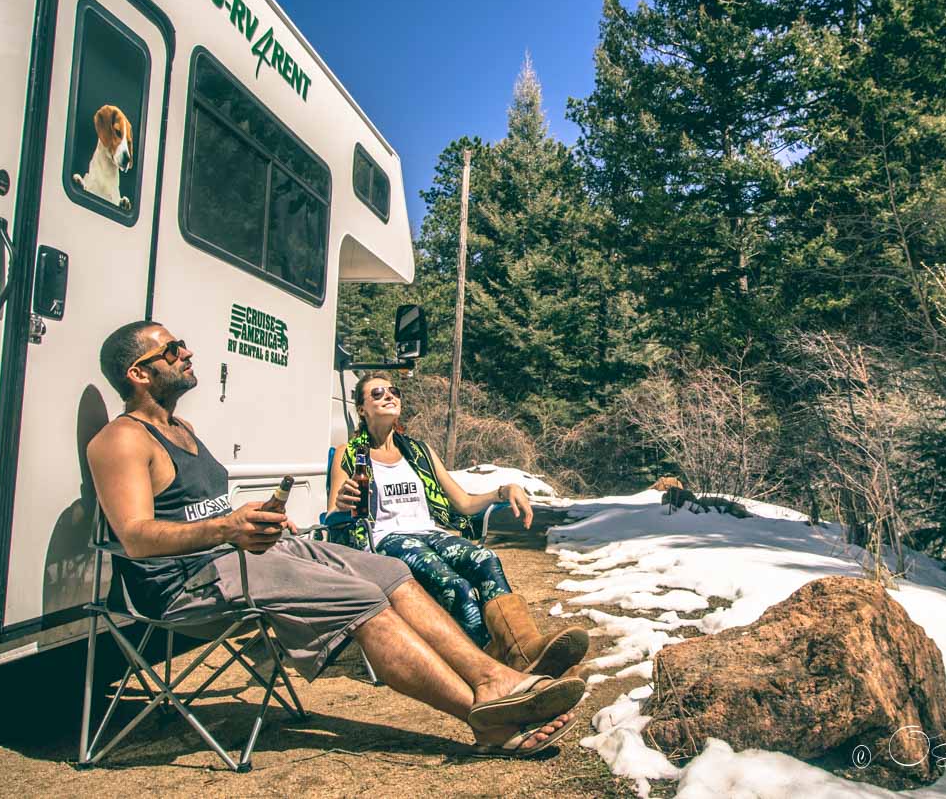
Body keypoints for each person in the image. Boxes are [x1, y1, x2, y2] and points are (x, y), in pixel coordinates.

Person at [85, 321, 582, 757]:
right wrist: (227, 528)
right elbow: (135, 539)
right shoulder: (121, 440)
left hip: (239, 555)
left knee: (390, 572)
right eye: (173, 350)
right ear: (139, 373)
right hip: (184, 583)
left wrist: (256, 520)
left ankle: (494, 677)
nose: (187, 353)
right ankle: (486, 719)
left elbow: (206, 511)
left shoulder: (182, 427)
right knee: (361, 597)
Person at [328, 372, 588, 677]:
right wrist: (344, 502)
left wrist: (503, 490)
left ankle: (524, 650)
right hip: (385, 539)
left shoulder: (419, 452)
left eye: (394, 391)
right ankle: (494, 669)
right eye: (378, 393)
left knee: (485, 558)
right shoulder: (350, 454)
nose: (389, 396)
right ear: (361, 409)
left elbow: (462, 502)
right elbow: (332, 513)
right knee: (455, 584)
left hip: (428, 533)